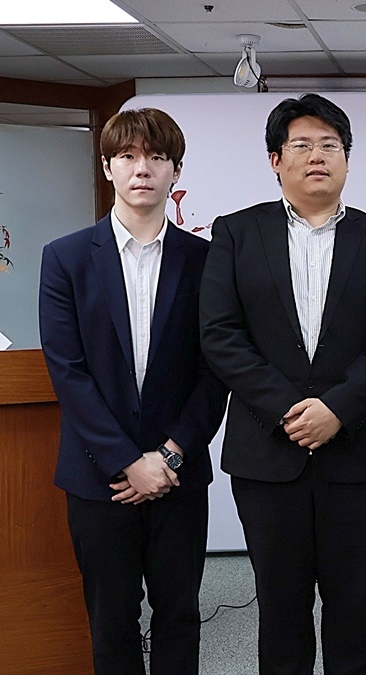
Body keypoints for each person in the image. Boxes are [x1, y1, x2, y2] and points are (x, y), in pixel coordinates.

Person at [199, 93, 366, 675]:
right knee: (280, 608)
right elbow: (220, 335)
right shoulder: (237, 233)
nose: (317, 156)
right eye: (302, 145)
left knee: (354, 606)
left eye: (330, 145)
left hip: (357, 453)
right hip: (267, 455)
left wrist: (337, 409)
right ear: (276, 160)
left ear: (346, 158)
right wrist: (291, 409)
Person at [39, 108, 228, 674]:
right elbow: (68, 371)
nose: (142, 168)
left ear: (176, 171)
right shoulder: (66, 257)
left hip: (178, 475)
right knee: (111, 620)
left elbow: (216, 371)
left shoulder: (205, 261)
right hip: (98, 479)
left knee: (179, 616)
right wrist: (128, 461)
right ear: (108, 168)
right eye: (127, 156)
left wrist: (169, 456)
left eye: (157, 157)